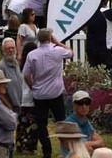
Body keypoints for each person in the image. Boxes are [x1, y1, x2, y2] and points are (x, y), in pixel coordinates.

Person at [22, 29, 72, 158]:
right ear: (50, 38)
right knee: (61, 121)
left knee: (41, 124)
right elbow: (71, 53)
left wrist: (32, 86)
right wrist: (58, 42)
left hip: (39, 93)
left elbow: (26, 74)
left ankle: (47, 151)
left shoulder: (32, 55)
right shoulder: (57, 50)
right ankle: (66, 148)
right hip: (55, 93)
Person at [62, 90, 105, 156]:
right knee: (87, 150)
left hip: (86, 153)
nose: (84, 106)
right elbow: (74, 147)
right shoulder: (68, 123)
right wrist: (90, 145)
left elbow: (101, 142)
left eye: (87, 103)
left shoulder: (86, 121)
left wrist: (88, 144)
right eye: (80, 103)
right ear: (74, 105)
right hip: (73, 156)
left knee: (105, 151)